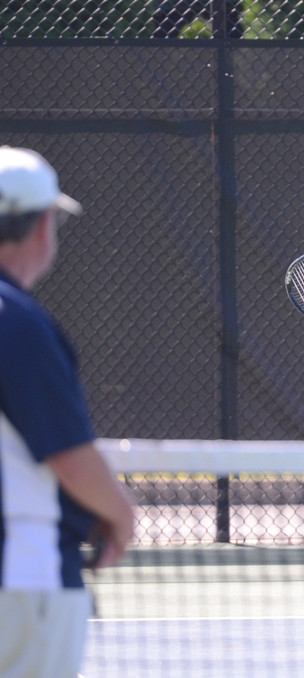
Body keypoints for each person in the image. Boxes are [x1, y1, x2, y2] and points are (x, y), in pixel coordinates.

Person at [0, 147, 135, 676]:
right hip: (24, 579)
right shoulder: (19, 325)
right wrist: (120, 516)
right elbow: (71, 460)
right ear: (41, 228)